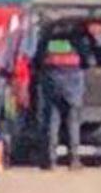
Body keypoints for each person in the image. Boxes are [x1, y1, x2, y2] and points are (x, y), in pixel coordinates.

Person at [33, 28, 92, 170]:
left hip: (52, 84)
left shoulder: (47, 41)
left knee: (52, 122)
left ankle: (50, 160)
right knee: (73, 123)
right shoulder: (77, 41)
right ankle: (73, 160)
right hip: (72, 85)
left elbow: (36, 61)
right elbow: (87, 62)